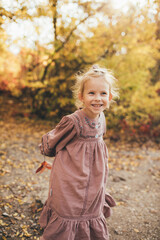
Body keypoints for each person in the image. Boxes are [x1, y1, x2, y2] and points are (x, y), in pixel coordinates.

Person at [38, 65, 119, 240]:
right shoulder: (73, 121)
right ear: (81, 97)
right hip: (71, 176)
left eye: (103, 93)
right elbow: (51, 142)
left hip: (95, 176)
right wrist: (47, 151)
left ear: (110, 97)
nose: (98, 99)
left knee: (90, 205)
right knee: (69, 206)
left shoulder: (102, 118)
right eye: (91, 93)